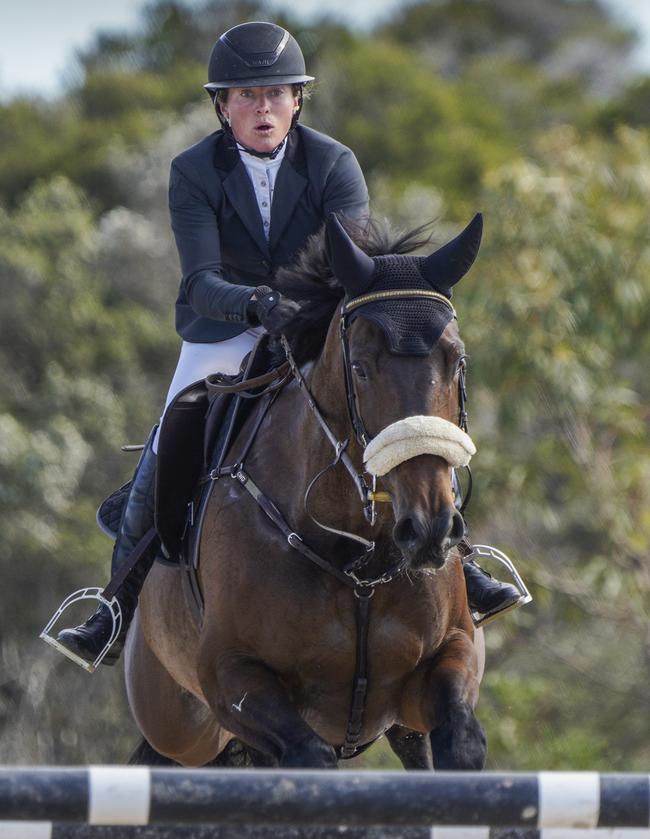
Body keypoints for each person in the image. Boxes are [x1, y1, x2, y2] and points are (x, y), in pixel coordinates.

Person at [53, 21, 520, 669]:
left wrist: (299, 312)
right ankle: (117, 602)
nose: (262, 108)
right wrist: (254, 304)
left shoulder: (334, 163)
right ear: (222, 105)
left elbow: (348, 263)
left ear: (298, 99)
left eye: (275, 93)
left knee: (392, 408)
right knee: (173, 430)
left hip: (313, 325)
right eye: (245, 96)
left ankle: (460, 560)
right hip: (227, 328)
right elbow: (199, 279)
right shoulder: (193, 170)